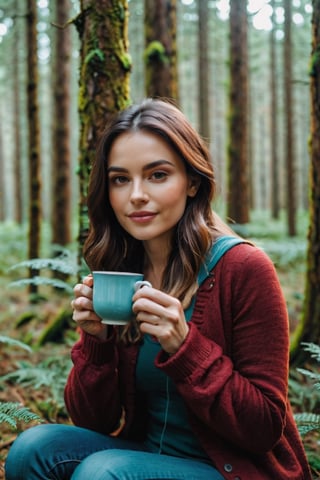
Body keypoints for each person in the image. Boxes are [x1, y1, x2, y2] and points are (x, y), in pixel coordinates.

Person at [5, 98, 312, 480]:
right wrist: (96, 343)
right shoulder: (123, 271)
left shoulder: (243, 268)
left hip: (236, 470)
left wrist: (186, 348)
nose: (136, 194)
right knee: (32, 451)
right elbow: (93, 421)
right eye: (120, 179)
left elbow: (264, 427)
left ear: (192, 182)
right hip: (147, 454)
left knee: (104, 474)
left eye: (157, 175)